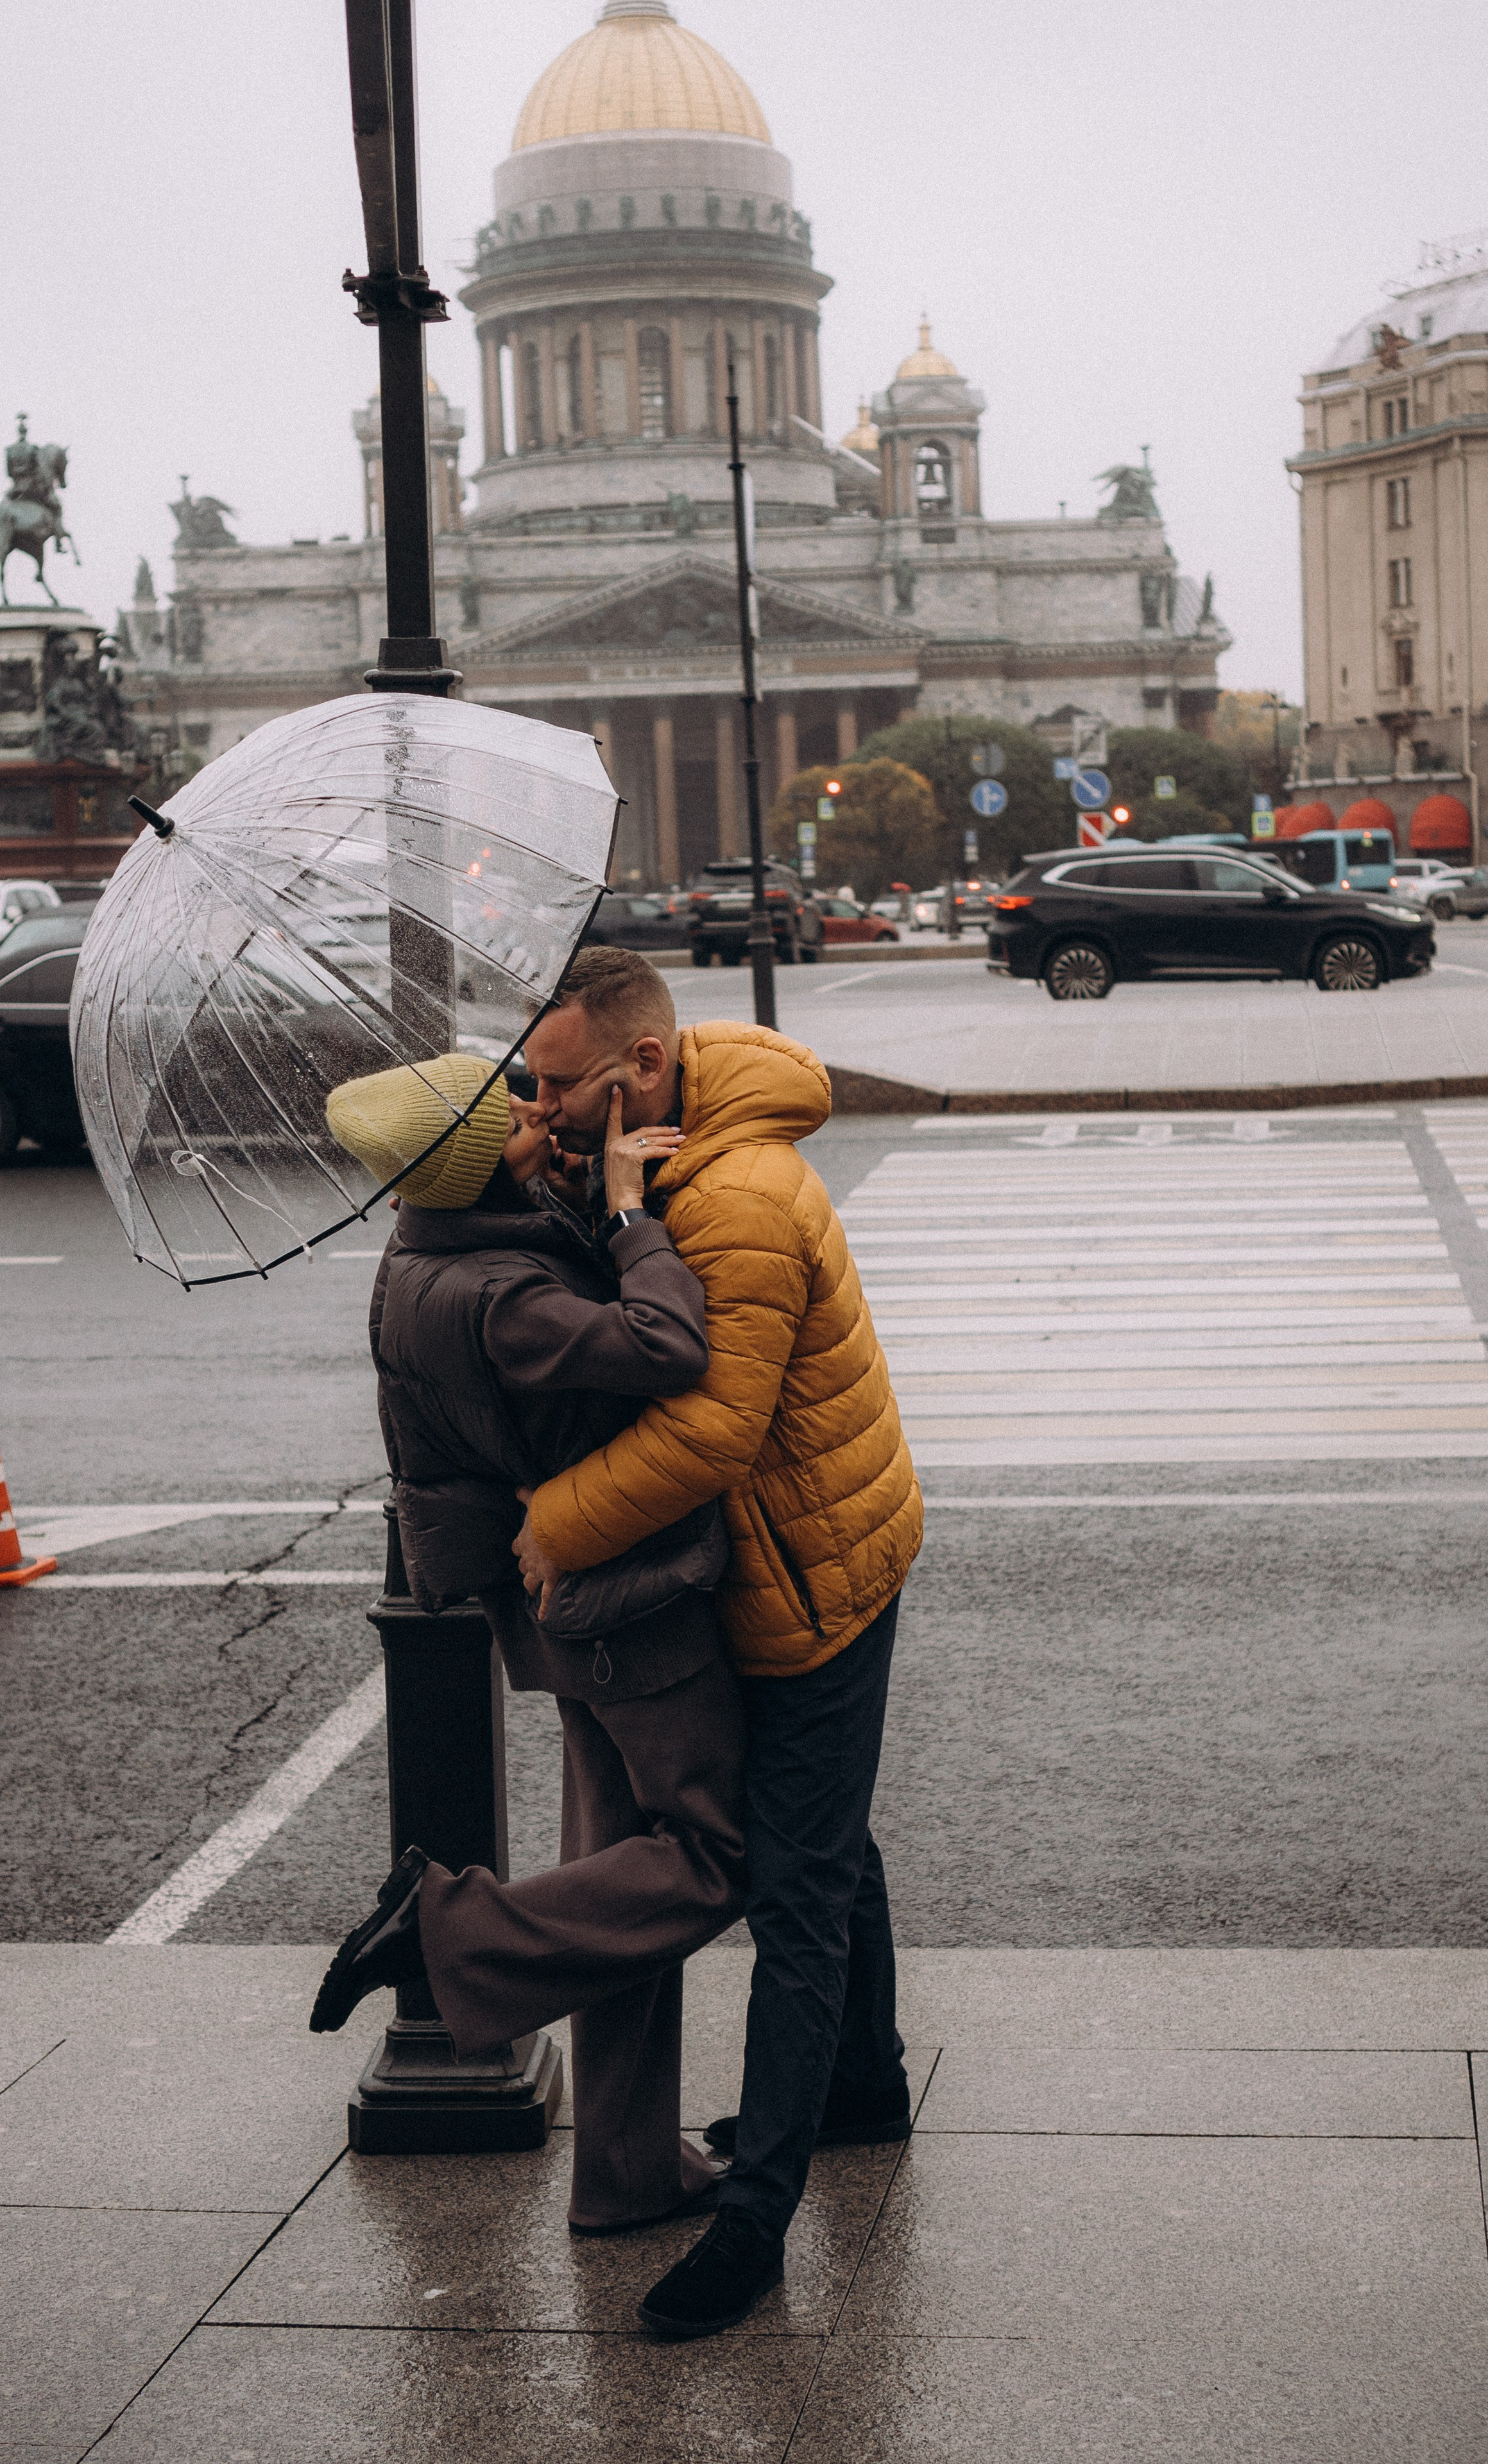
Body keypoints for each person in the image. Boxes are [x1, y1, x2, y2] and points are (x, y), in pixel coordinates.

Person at [511, 946, 923, 2337]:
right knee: (830, 1834)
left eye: (558, 1085)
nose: (541, 1100)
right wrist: (582, 1183)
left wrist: (557, 1521)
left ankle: (752, 2227)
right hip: (806, 1544)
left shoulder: (735, 1193)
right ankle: (862, 2084)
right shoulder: (668, 1152)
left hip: (814, 1578)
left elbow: (713, 1428)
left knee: (793, 1887)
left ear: (637, 1070)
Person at [310, 1048, 747, 2237]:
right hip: (622, 1600)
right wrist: (625, 1215)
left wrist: (586, 1187)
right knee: (718, 1854)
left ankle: (625, 2170)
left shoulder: (435, 1243)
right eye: (504, 1108)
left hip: (570, 1611)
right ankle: (448, 1928)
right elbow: (667, 1348)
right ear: (466, 1156)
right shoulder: (499, 1295)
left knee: (623, 1883)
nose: (532, 1107)